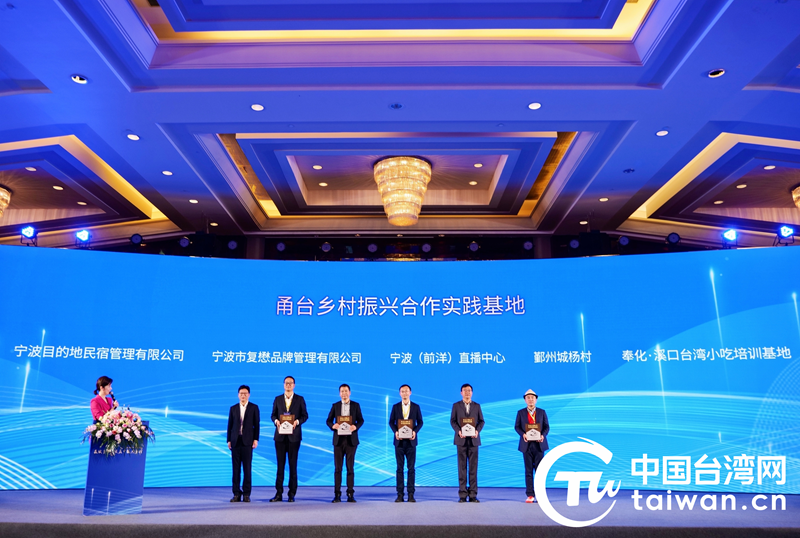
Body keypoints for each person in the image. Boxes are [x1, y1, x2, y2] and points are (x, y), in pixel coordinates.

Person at [270, 376, 308, 502]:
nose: (288, 385)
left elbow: (305, 415)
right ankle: (278, 493)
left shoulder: (300, 399)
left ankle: (292, 493)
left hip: (294, 437)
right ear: (283, 385)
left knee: (293, 466)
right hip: (280, 437)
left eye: (290, 383)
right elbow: (273, 415)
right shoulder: (278, 399)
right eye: (286, 383)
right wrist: (276, 421)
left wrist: (297, 421)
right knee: (280, 466)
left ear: (294, 385)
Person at [325, 383, 364, 503]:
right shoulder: (335, 406)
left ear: (350, 392)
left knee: (350, 468)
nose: (344, 393)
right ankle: (337, 494)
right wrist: (333, 426)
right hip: (338, 441)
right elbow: (328, 420)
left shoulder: (356, 405)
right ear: (339, 393)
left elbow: (361, 420)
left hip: (351, 441)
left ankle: (350, 494)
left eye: (346, 391)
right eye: (342, 391)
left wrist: (355, 427)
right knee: (338, 468)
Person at [449, 383, 484, 503]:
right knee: (462, 468)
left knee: (473, 468)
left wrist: (477, 431)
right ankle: (462, 494)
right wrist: (459, 431)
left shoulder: (477, 406)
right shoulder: (456, 406)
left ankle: (473, 494)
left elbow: (481, 421)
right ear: (461, 393)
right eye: (465, 390)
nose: (467, 393)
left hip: (474, 440)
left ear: (472, 393)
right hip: (461, 440)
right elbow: (452, 421)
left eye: (469, 390)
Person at [389, 384, 423, 502]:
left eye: (406, 391)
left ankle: (411, 494)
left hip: (411, 442)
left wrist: (415, 432)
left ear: (410, 393)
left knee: (411, 468)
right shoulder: (395, 407)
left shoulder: (416, 407)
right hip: (399, 442)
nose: (404, 393)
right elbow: (391, 422)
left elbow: (420, 422)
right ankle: (399, 494)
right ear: (400, 393)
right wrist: (395, 432)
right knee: (399, 468)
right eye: (402, 391)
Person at [514, 389, 549, 503]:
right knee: (528, 471)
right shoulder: (520, 413)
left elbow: (546, 427)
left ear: (536, 400)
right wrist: (523, 434)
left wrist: (543, 435)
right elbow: (517, 427)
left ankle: (540, 495)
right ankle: (530, 495)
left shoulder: (542, 412)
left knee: (540, 471)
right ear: (525, 400)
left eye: (532, 398)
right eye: (528, 398)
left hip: (539, 445)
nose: (530, 399)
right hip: (526, 445)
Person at [227, 385, 260, 503]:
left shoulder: (254, 407)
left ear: (249, 395)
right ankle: (236, 493)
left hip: (247, 442)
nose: (243, 396)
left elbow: (257, 425)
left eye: (245, 394)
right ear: (238, 395)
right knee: (235, 469)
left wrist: (255, 439)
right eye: (241, 393)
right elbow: (230, 425)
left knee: (247, 469)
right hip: (235, 442)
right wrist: (229, 440)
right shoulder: (233, 408)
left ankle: (246, 494)